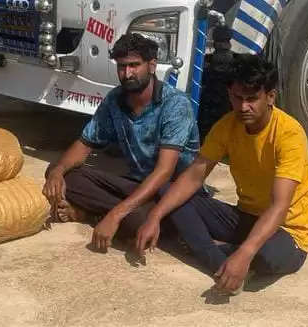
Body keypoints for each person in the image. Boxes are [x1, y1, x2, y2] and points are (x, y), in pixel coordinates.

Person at [135, 54, 308, 295]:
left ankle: (219, 252)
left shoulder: (289, 134)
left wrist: (245, 252)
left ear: (270, 97)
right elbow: (193, 178)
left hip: (286, 233)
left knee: (267, 255)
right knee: (169, 192)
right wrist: (154, 217)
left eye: (252, 99)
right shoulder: (227, 125)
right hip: (244, 218)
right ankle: (221, 260)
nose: (243, 107)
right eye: (237, 98)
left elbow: (279, 206)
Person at [42, 32, 200, 251]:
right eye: (121, 66)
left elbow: (164, 172)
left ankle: (92, 213)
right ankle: (111, 214)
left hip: (170, 193)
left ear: (152, 65)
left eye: (134, 65)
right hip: (135, 185)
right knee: (58, 172)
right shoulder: (115, 99)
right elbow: (85, 143)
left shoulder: (175, 104)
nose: (127, 73)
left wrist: (116, 214)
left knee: (140, 221)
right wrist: (58, 172)